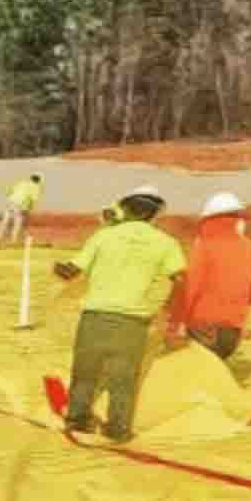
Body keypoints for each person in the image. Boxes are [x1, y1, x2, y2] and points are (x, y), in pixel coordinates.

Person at [51, 189, 185, 443]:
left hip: (95, 317)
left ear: (125, 209)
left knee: (85, 372)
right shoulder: (166, 243)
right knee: (123, 378)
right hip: (132, 322)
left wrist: (58, 269)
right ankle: (118, 428)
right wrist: (168, 311)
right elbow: (179, 278)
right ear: (155, 214)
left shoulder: (103, 237)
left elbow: (70, 272)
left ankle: (76, 419)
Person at [169, 191, 251, 366]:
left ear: (208, 219)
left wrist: (176, 324)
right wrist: (244, 300)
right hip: (232, 333)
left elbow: (190, 289)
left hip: (202, 330)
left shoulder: (204, 247)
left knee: (197, 379)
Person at [0, 172, 44, 248]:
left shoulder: (22, 183)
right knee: (17, 225)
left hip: (10, 203)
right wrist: (28, 210)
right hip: (20, 207)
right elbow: (33, 200)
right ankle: (12, 242)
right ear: (39, 180)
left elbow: (9, 191)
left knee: (5, 223)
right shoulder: (36, 187)